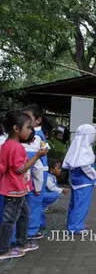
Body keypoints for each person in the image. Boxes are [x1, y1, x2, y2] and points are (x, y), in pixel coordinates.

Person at [0, 111, 47, 260]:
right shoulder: (15, 147)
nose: (30, 131)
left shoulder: (10, 144)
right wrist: (37, 157)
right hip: (14, 190)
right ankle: (3, 249)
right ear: (16, 128)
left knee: (24, 214)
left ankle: (22, 242)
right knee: (10, 220)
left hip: (18, 189)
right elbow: (20, 169)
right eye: (28, 127)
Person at [64, 124, 96, 233]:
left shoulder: (77, 147)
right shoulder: (84, 149)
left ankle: (74, 223)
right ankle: (76, 227)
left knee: (75, 203)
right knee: (81, 204)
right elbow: (86, 166)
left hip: (76, 181)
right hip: (84, 182)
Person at [22, 105, 49, 240]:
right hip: (36, 170)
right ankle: (33, 228)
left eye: (28, 117)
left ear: (38, 120)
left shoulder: (34, 136)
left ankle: (31, 231)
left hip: (36, 171)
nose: (23, 120)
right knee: (34, 201)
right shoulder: (37, 133)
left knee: (34, 200)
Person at [41, 159, 69, 224]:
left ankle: (41, 224)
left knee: (40, 210)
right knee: (55, 194)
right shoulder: (48, 177)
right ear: (51, 170)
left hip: (44, 195)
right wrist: (62, 190)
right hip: (44, 195)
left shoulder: (52, 176)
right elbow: (51, 187)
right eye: (58, 168)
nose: (60, 170)